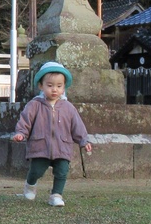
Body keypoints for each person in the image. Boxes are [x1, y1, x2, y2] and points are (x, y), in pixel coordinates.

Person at [12, 61, 92, 208]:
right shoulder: (35, 104)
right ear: (41, 86)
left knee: (62, 172)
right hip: (40, 145)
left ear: (64, 87)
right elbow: (25, 120)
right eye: (50, 85)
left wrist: (84, 141)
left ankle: (56, 195)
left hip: (63, 146)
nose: (54, 89)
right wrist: (21, 133)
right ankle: (30, 185)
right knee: (36, 170)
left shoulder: (68, 108)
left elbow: (77, 126)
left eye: (59, 86)